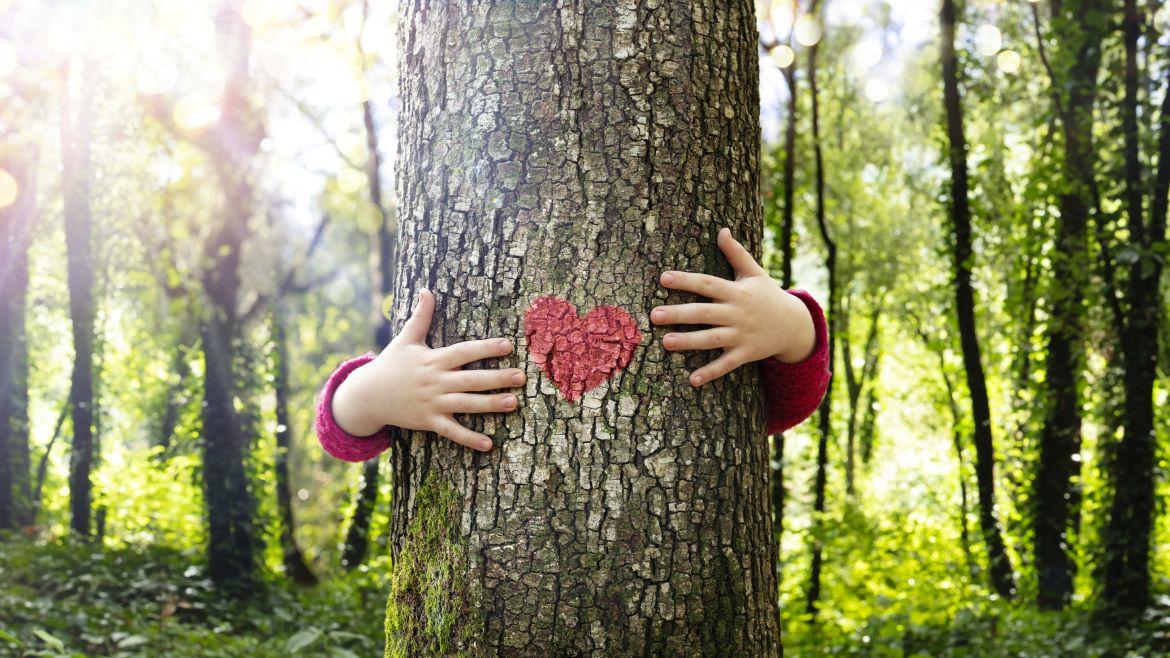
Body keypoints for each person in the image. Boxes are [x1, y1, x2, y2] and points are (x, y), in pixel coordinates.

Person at [316, 228, 830, 462]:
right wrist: (372, 393)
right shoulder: (415, 383)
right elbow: (339, 431)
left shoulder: (741, 335)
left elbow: (785, 405)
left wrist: (790, 323)